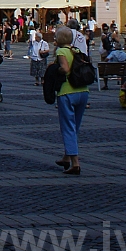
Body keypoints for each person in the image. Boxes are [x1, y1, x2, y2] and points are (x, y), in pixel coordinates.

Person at [52, 26, 89, 175]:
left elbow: (65, 69)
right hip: (83, 91)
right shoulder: (77, 51)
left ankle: (75, 163)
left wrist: (56, 69)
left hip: (67, 91)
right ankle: (66, 157)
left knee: (67, 126)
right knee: (75, 126)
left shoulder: (61, 51)